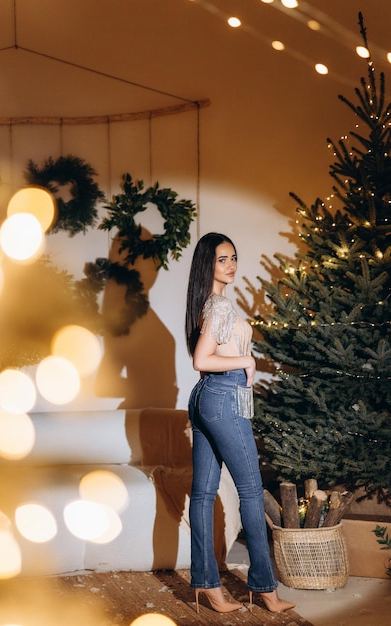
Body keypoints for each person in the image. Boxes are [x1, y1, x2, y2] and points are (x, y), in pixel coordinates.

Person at [185, 232, 295, 614]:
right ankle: (265, 589)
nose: (231, 265)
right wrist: (247, 362)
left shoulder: (210, 304)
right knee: (250, 490)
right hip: (223, 396)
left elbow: (203, 365)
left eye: (233, 258)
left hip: (205, 398)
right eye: (222, 259)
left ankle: (207, 587)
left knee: (202, 493)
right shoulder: (217, 308)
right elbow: (201, 360)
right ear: (207, 265)